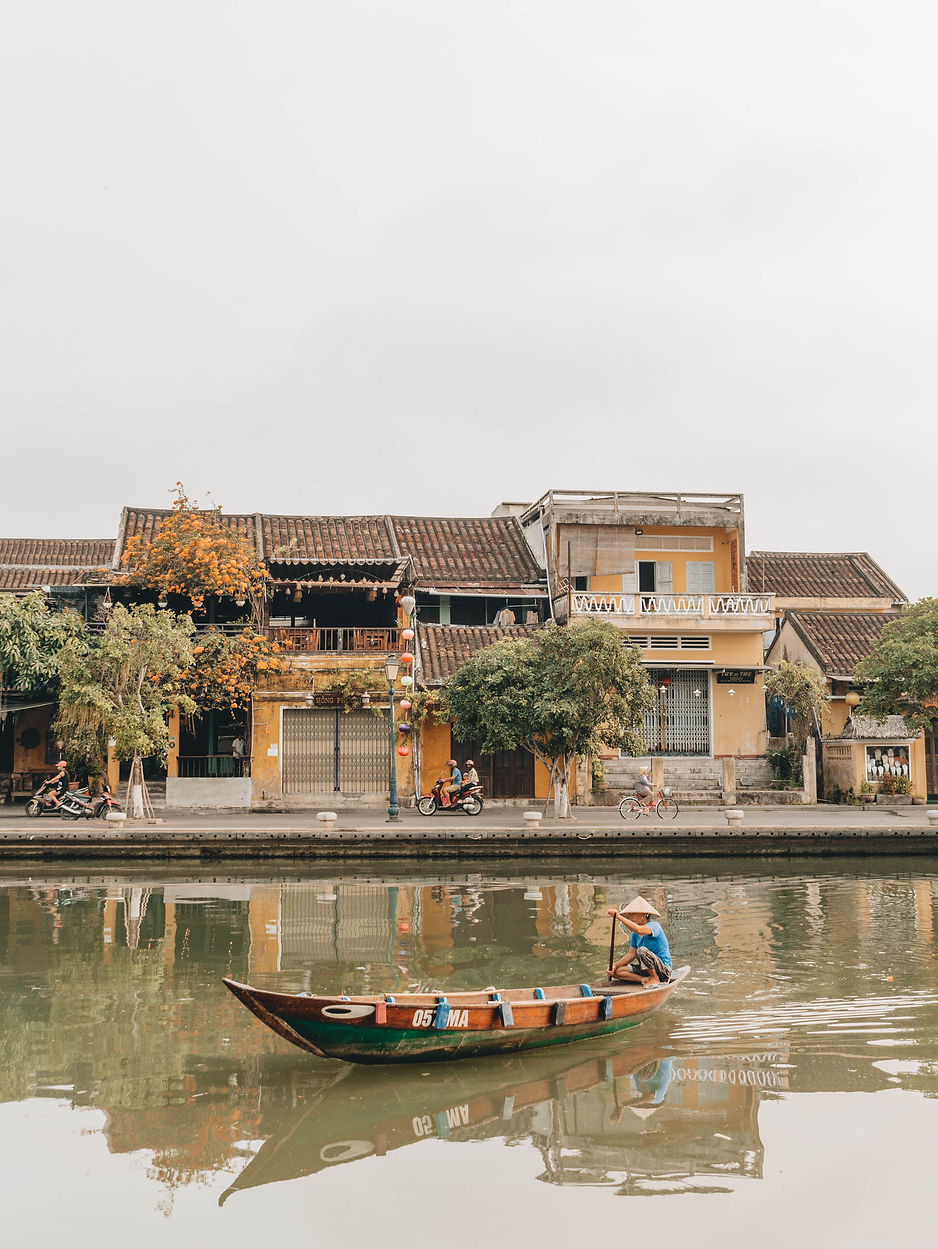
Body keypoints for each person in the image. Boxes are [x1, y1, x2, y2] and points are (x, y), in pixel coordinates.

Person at [606, 895, 672, 985]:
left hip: (663, 970)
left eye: (633, 914)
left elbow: (639, 930)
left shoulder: (654, 925)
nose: (630, 916)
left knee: (641, 950)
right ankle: (645, 979)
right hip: (646, 969)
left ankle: (655, 978)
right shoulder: (635, 933)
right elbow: (631, 953)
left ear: (644, 914)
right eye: (629, 914)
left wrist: (618, 917)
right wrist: (614, 965)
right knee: (617, 971)